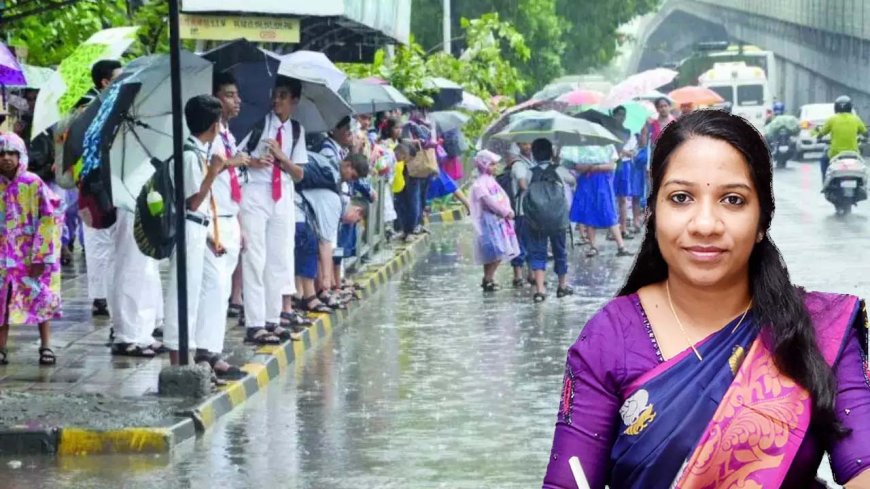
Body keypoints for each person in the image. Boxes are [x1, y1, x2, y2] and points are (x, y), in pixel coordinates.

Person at [542, 110, 870, 488]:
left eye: (732, 200)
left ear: (762, 220)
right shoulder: (609, 338)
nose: (705, 224)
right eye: (681, 197)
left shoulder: (820, 329)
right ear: (653, 212)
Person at [237, 76, 307, 345]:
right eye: (275, 95)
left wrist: (281, 156)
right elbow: (236, 156)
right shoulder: (257, 123)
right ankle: (255, 323)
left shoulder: (297, 130)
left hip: (283, 195)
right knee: (255, 258)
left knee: (279, 258)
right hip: (255, 191)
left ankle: (273, 318)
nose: (277, 100)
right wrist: (254, 161)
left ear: (294, 101)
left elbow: (299, 173)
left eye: (283, 95)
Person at [162, 95, 228, 365]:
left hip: (198, 230)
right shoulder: (190, 157)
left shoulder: (196, 152)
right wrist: (213, 173)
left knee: (202, 288)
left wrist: (210, 236)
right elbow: (192, 201)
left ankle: (191, 352)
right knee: (184, 292)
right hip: (188, 229)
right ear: (213, 125)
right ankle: (179, 360)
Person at [196, 73, 250, 377]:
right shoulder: (209, 135)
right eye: (229, 95)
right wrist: (231, 163)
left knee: (223, 287)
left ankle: (213, 349)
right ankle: (205, 352)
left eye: (236, 95)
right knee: (213, 287)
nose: (236, 100)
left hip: (230, 217)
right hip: (212, 220)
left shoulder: (227, 133)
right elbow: (206, 170)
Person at [0, 132, 62, 366]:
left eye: (11, 153)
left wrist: (42, 256)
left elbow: (49, 218)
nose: (6, 158)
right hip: (2, 256)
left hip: (29, 255)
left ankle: (46, 344)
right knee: (2, 301)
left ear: (20, 155)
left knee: (40, 297)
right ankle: (1, 347)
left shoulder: (33, 183)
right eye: (1, 153)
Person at [80, 59, 123, 317]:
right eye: (119, 76)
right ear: (105, 82)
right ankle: (100, 296)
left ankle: (105, 295)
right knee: (98, 243)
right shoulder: (93, 110)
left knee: (107, 244)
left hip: (107, 182)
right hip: (93, 185)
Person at [526, 139, 573, 303]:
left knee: (538, 252)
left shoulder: (529, 172)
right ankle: (562, 286)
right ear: (551, 153)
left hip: (536, 220)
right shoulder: (559, 170)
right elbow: (573, 181)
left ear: (533, 154)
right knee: (560, 251)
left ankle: (540, 290)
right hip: (557, 218)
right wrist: (557, 163)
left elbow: (522, 187)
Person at [567, 144, 631, 258]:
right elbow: (576, 166)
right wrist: (588, 166)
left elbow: (612, 165)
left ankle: (621, 246)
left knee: (608, 211)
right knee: (589, 212)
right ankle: (593, 246)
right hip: (587, 182)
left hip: (603, 182)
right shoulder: (580, 149)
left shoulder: (608, 147)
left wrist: (593, 167)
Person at [470, 150, 518, 292]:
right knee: (497, 250)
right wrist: (505, 212)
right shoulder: (480, 185)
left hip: (498, 220)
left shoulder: (490, 181)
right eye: (492, 165)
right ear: (483, 165)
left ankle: (488, 278)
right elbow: (489, 201)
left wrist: (506, 210)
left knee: (494, 251)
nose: (495, 167)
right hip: (489, 220)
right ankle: (488, 278)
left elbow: (502, 197)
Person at [815, 95, 867, 182]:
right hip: (853, 152)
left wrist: (818, 138)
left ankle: (825, 181)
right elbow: (865, 133)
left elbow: (822, 133)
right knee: (861, 164)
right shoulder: (856, 119)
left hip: (835, 153)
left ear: (836, 107)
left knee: (823, 160)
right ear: (850, 107)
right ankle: (862, 183)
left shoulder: (832, 119)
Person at [508, 143, 533, 288]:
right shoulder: (518, 164)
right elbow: (523, 185)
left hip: (532, 210)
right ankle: (517, 275)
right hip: (522, 210)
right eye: (524, 144)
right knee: (520, 243)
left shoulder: (532, 162)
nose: (528, 146)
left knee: (532, 243)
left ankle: (531, 273)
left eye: (529, 143)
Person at [611, 106, 638, 239]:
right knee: (611, 198)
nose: (621, 117)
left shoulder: (628, 132)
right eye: (618, 114)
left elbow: (632, 151)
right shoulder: (609, 132)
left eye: (623, 115)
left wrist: (623, 152)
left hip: (625, 166)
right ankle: (612, 230)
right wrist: (622, 151)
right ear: (613, 115)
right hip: (612, 165)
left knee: (623, 197)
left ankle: (623, 228)